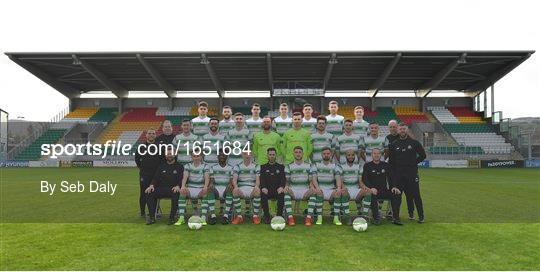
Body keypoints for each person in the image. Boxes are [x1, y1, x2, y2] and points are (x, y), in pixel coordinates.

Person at [388, 123, 427, 223]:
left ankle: (421, 216)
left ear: (407, 130)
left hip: (412, 174)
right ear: (398, 130)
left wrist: (414, 163)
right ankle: (396, 217)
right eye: (400, 129)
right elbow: (391, 162)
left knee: (415, 195)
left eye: (404, 129)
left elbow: (423, 155)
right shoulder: (394, 144)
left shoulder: (414, 143)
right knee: (397, 196)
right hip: (398, 175)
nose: (402, 130)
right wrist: (393, 175)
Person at [362, 148, 403, 225]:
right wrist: (371, 188)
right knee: (372, 195)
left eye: (378, 153)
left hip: (384, 190)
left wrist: (394, 186)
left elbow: (392, 177)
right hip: (373, 191)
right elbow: (365, 179)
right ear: (372, 155)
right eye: (375, 153)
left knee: (396, 194)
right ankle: (376, 218)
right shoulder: (367, 166)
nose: (376, 155)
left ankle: (396, 218)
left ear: (381, 155)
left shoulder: (385, 165)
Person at [145, 147, 183, 225]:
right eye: (168, 154)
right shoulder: (161, 166)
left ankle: (171, 218)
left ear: (175, 155)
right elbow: (155, 178)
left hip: (173, 189)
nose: (169, 155)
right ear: (165, 155)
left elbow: (182, 179)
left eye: (171, 154)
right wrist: (151, 185)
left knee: (176, 194)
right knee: (149, 192)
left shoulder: (180, 166)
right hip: (161, 189)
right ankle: (152, 218)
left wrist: (178, 186)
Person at [175, 152, 213, 225]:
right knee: (182, 191)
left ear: (201, 157)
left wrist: (205, 187)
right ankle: (181, 217)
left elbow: (207, 178)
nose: (196, 158)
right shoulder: (187, 166)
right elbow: (185, 177)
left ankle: (203, 218)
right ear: (191, 157)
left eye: (198, 156)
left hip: (200, 188)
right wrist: (183, 186)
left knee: (205, 192)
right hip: (191, 188)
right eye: (194, 156)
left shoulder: (205, 166)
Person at [284, 146, 317, 226]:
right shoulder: (288, 166)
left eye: (299, 152)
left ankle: (308, 218)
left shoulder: (309, 166)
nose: (298, 154)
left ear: (303, 154)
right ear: (293, 154)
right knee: (286, 194)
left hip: (304, 190)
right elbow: (287, 181)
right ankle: (290, 218)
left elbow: (310, 180)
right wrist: (286, 187)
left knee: (313, 193)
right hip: (293, 190)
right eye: (296, 152)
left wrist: (312, 187)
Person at [311, 147, 343, 225]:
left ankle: (335, 218)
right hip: (320, 188)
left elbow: (338, 178)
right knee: (319, 192)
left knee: (338, 193)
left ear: (331, 154)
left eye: (328, 154)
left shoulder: (335, 166)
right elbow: (314, 178)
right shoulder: (316, 165)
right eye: (324, 154)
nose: (326, 155)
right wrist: (317, 188)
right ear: (321, 155)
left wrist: (339, 187)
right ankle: (319, 217)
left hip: (331, 189)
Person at [339, 150, 371, 225]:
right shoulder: (341, 166)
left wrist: (365, 187)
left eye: (352, 155)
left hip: (356, 189)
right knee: (343, 192)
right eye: (349, 155)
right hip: (346, 189)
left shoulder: (359, 166)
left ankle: (364, 216)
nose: (351, 157)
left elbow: (360, 181)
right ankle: (347, 217)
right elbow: (341, 181)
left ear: (355, 156)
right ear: (345, 156)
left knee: (368, 192)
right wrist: (343, 187)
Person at [135, 128, 161, 217]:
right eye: (149, 133)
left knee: (155, 193)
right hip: (144, 175)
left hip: (156, 175)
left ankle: (155, 212)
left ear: (155, 135)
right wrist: (142, 168)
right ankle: (142, 212)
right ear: (146, 135)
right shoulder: (141, 147)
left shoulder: (159, 146)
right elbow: (137, 159)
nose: (151, 135)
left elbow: (162, 160)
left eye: (153, 133)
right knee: (143, 193)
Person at [232, 151, 262, 224]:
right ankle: (239, 216)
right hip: (241, 188)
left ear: (251, 155)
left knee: (258, 191)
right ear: (242, 155)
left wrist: (256, 186)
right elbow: (234, 180)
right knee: (235, 191)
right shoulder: (237, 166)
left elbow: (258, 179)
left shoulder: (256, 166)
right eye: (245, 154)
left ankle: (255, 216)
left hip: (252, 188)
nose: (247, 156)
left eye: (249, 154)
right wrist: (236, 187)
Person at [259, 148, 286, 224]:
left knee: (281, 194)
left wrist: (281, 187)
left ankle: (279, 216)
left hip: (277, 190)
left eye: (273, 155)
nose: (271, 156)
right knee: (263, 195)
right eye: (270, 154)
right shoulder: (263, 167)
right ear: (267, 155)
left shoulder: (281, 167)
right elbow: (262, 179)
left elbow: (283, 179)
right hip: (267, 190)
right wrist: (263, 187)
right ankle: (267, 216)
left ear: (276, 155)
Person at [209, 151, 235, 224]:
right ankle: (213, 216)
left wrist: (229, 185)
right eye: (220, 155)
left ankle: (225, 216)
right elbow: (211, 180)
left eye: (224, 155)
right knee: (210, 188)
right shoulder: (213, 167)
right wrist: (211, 184)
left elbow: (231, 180)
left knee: (230, 188)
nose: (222, 156)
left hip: (226, 189)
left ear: (227, 156)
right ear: (217, 156)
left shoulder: (231, 168)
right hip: (216, 189)